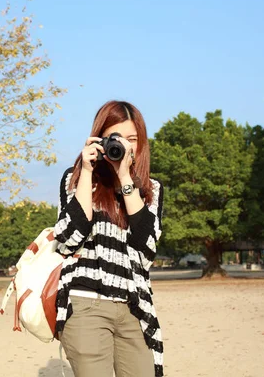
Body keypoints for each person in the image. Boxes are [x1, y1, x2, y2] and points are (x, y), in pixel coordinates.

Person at [54, 101, 164, 377]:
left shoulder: (150, 189)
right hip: (85, 303)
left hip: (134, 307)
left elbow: (146, 249)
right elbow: (68, 241)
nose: (124, 146)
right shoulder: (77, 178)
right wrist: (87, 172)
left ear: (141, 144)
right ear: (100, 138)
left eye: (132, 139)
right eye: (117, 138)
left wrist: (125, 176)